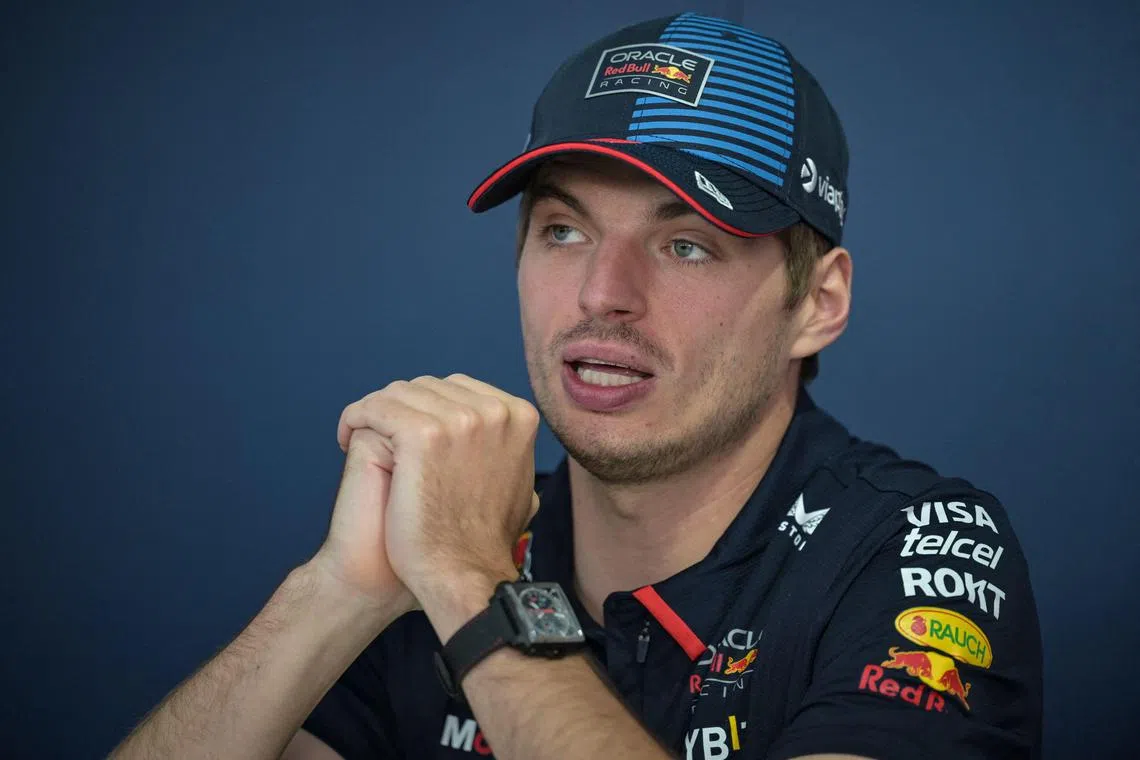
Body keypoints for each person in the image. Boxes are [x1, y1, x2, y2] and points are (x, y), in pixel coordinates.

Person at [110, 11, 1042, 760]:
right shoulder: (447, 542)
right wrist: (335, 593)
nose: (602, 293)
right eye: (564, 231)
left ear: (817, 302)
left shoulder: (916, 547)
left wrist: (475, 589)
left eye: (687, 245)